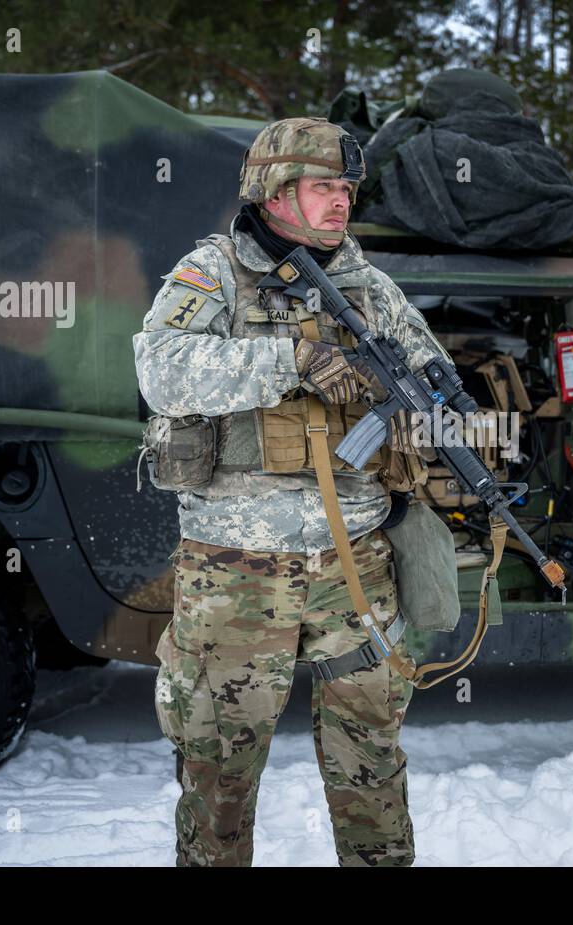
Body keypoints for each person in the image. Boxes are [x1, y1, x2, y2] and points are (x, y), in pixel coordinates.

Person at [133, 117, 453, 867]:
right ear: (275, 192)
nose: (340, 203)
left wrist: (415, 392)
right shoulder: (212, 272)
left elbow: (429, 370)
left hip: (355, 564)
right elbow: (163, 371)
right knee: (219, 767)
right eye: (322, 188)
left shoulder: (367, 284)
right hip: (236, 568)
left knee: (371, 756)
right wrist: (292, 359)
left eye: (345, 189)